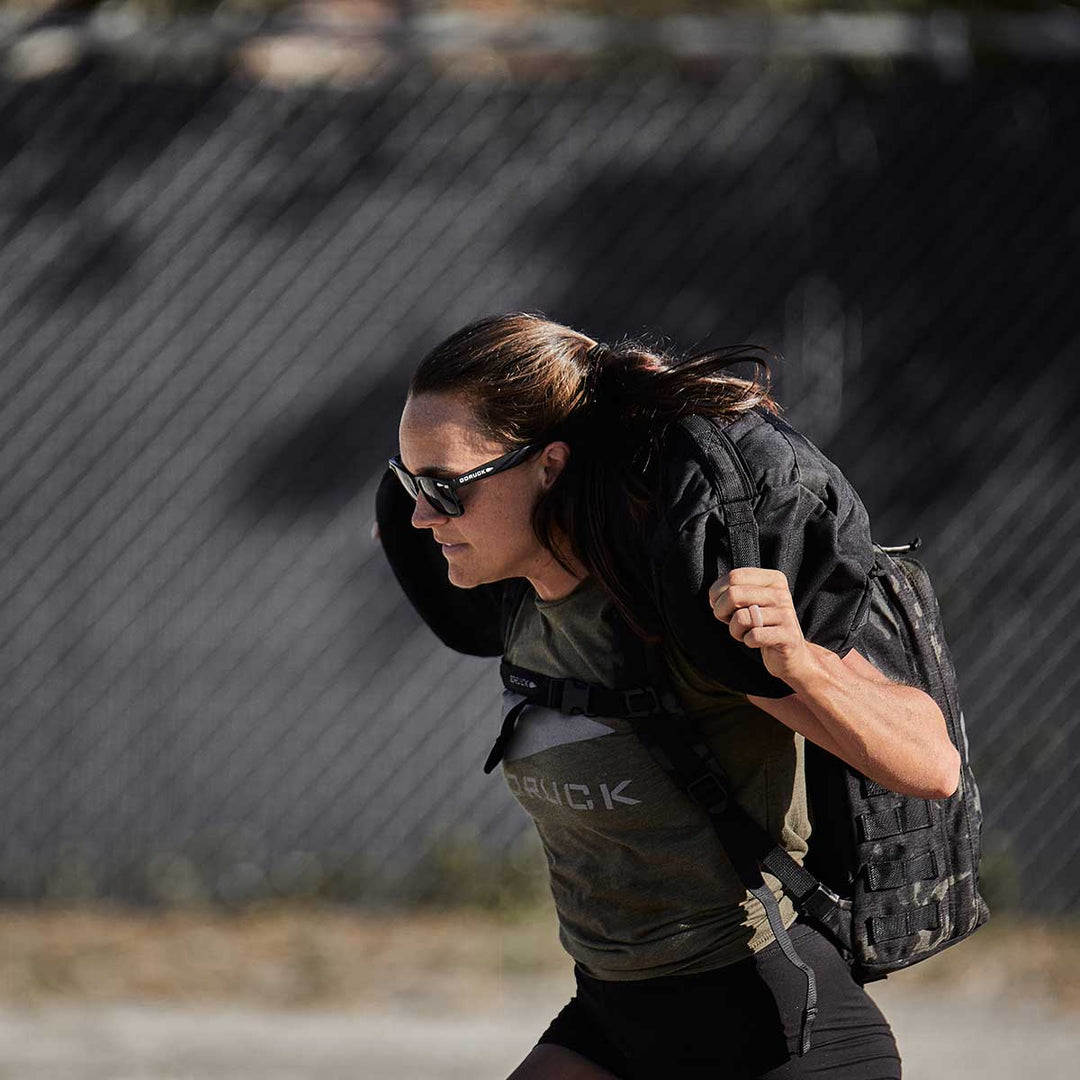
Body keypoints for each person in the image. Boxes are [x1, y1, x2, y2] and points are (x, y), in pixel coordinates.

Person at [380, 312, 959, 1080]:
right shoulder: (520, 608)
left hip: (780, 1038)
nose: (423, 516)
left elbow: (932, 763)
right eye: (411, 484)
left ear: (549, 467)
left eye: (447, 488)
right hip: (612, 1022)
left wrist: (798, 662)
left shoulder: (684, 611)